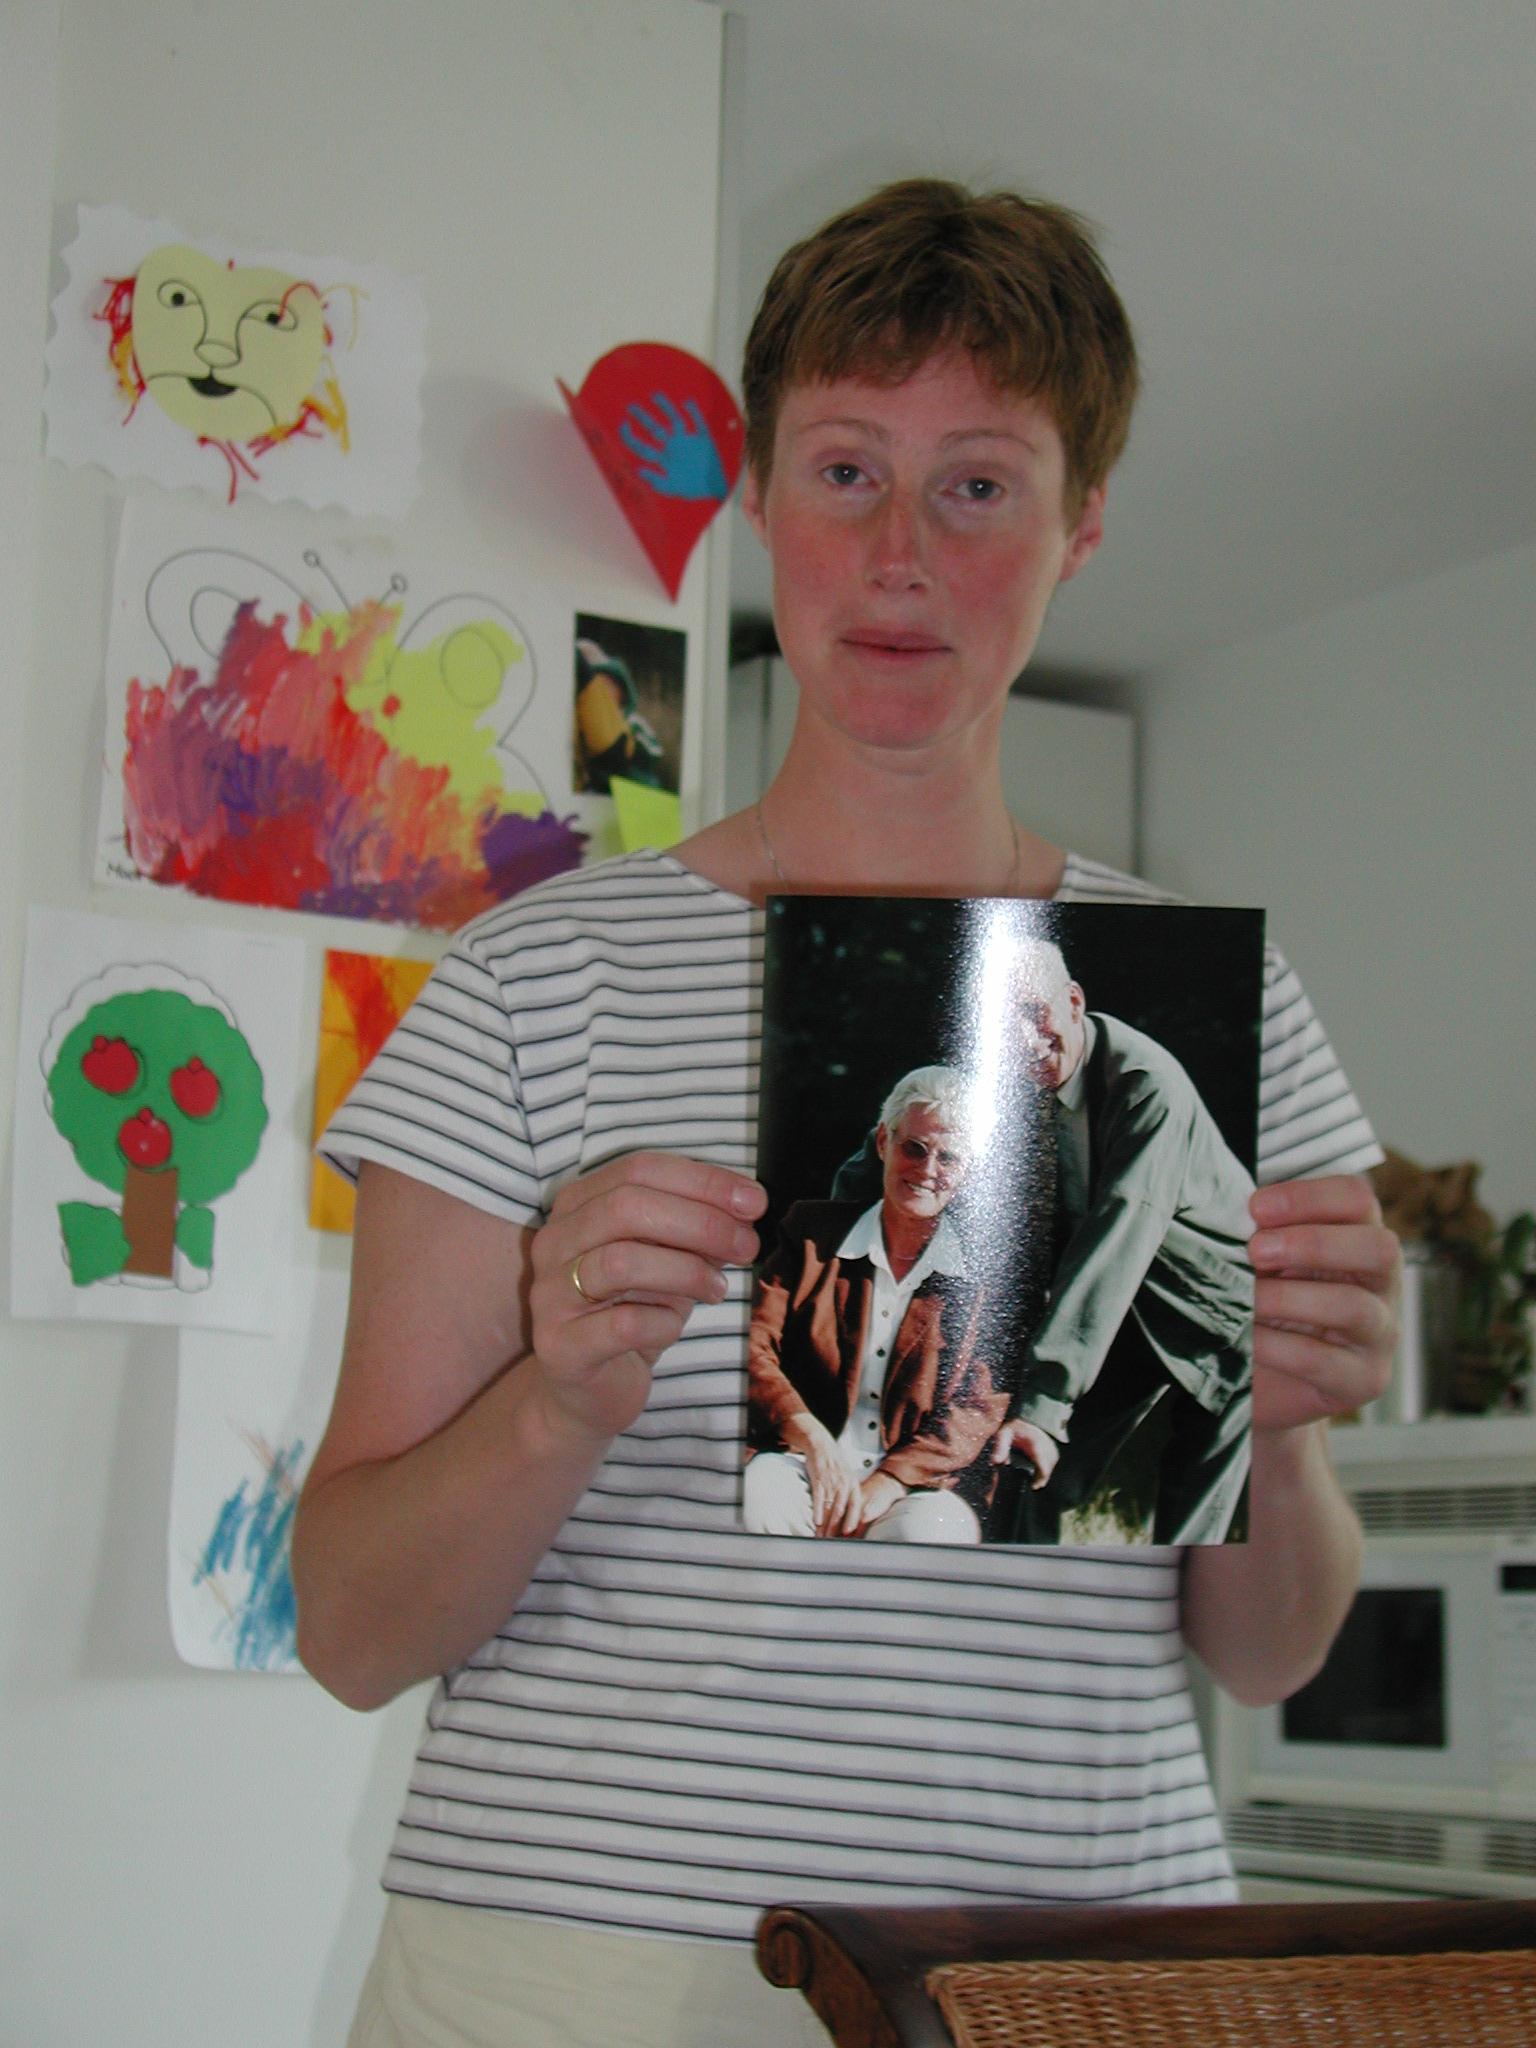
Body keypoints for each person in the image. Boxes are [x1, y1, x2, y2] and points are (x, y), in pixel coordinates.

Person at [293, 178, 1399, 2048]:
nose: (899, 553)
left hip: (1077, 1969)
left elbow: (1271, 1650)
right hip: (584, 1961)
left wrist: (1276, 1435)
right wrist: (554, 1398)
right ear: (756, 494)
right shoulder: (532, 980)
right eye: (845, 470)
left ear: (1081, 523)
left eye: (976, 485)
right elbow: (350, 1629)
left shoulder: (1217, 1013)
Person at [832, 934, 1259, 1544]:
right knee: (1027, 1472)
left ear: (1074, 1002)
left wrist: (1045, 1403)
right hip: (1122, 1305)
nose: (1025, 1041)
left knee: (1191, 1533)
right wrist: (829, 1238)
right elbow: (897, 1140)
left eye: (1036, 1014)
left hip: (1224, 1312)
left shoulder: (1147, 1086)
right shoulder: (1010, 1069)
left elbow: (1117, 1236)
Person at [746, 1065, 1005, 1542]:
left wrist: (889, 1481)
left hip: (914, 1489)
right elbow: (752, 1345)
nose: (927, 1170)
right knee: (758, 1493)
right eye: (915, 1148)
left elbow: (979, 1405)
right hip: (800, 1462)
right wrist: (811, 1437)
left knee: (932, 1535)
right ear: (884, 1142)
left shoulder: (986, 1277)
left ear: (969, 1171)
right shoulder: (811, 1236)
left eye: (949, 1158)